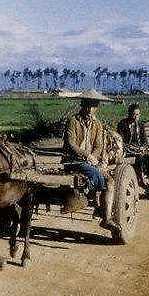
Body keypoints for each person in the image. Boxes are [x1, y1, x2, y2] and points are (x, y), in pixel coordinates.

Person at [62, 89, 118, 229]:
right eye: (87, 105)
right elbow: (71, 143)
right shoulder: (73, 121)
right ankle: (90, 197)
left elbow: (99, 145)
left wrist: (93, 157)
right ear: (82, 106)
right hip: (73, 161)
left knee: (110, 182)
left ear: (96, 109)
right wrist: (87, 156)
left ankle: (107, 217)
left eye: (92, 106)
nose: (89, 109)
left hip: (91, 161)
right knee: (94, 174)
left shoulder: (98, 125)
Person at [117, 103, 149, 198]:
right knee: (138, 159)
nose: (135, 117)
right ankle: (140, 181)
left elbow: (144, 140)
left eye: (137, 115)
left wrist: (143, 147)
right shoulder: (122, 124)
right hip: (127, 150)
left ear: (140, 115)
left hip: (139, 150)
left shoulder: (141, 125)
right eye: (133, 114)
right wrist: (127, 147)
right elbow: (120, 139)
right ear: (129, 114)